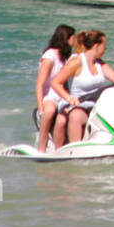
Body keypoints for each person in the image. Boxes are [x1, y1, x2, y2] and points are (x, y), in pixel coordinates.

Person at [51, 30, 114, 144]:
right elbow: (55, 82)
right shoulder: (77, 62)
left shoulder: (99, 63)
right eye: (104, 46)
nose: (105, 49)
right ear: (96, 46)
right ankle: (75, 151)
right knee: (75, 116)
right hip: (78, 105)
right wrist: (69, 98)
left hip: (97, 106)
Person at [34, 24, 75, 152]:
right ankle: (41, 146)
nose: (74, 41)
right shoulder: (49, 56)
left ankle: (62, 148)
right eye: (73, 38)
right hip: (49, 96)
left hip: (62, 95)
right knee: (50, 110)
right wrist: (41, 110)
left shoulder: (65, 56)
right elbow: (39, 85)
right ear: (66, 38)